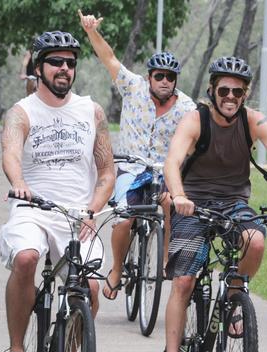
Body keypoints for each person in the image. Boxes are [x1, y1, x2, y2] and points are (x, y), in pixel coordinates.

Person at [162, 56, 267, 352]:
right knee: (184, 281)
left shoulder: (253, 120)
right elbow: (172, 162)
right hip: (194, 203)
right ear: (212, 90)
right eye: (224, 91)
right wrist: (179, 196)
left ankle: (235, 294)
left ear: (245, 95)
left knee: (255, 240)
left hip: (233, 204)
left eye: (237, 93)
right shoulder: (195, 120)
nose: (230, 98)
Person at [0, 30, 115, 352]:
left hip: (78, 213)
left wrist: (93, 211)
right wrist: (19, 183)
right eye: (55, 62)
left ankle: (71, 349)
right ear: (38, 67)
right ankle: (17, 350)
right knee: (26, 259)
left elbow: (107, 173)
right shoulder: (21, 112)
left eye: (70, 63)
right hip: (33, 208)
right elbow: (11, 153)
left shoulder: (92, 112)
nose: (64, 68)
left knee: (91, 288)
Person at [79, 10, 196, 301]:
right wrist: (91, 31)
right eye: (159, 76)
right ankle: (117, 268)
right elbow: (109, 59)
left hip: (163, 171)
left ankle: (167, 261)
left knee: (173, 205)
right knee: (123, 219)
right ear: (149, 77)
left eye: (171, 77)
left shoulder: (187, 108)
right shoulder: (133, 88)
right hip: (131, 169)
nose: (165, 81)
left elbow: (198, 136)